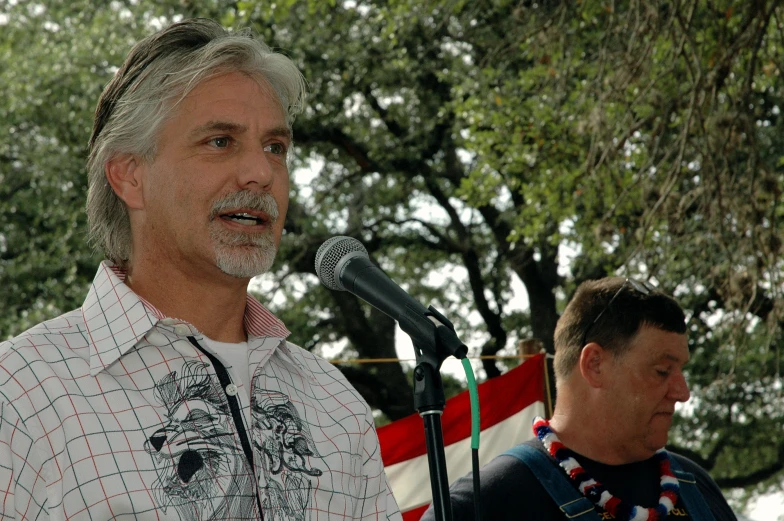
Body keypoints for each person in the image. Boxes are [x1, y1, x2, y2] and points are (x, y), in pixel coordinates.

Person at [0, 19, 401, 521]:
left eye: (275, 147)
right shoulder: (21, 395)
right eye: (220, 142)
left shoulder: (336, 404)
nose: (260, 172)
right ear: (130, 176)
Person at [422, 277, 737, 520]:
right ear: (595, 365)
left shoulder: (697, 487)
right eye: (662, 371)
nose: (683, 393)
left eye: (681, 371)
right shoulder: (483, 506)